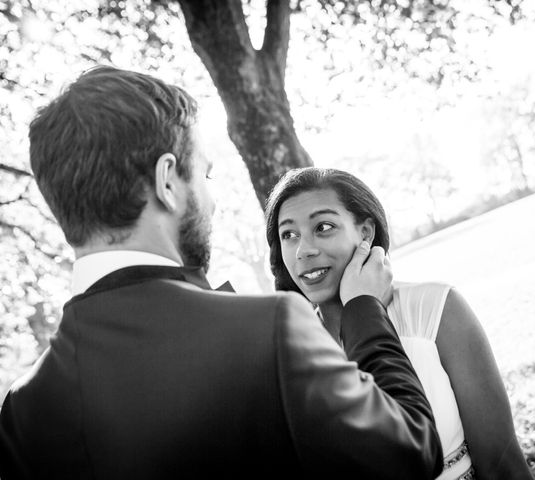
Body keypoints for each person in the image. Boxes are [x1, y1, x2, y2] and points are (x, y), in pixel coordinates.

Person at [0, 66, 445, 479]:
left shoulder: (23, 409)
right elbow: (412, 451)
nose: (212, 204)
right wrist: (365, 308)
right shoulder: (271, 328)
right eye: (205, 177)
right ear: (168, 182)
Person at [265, 167, 535, 480]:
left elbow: (502, 463)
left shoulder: (435, 308)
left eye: (323, 227)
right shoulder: (290, 353)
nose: (303, 250)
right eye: (289, 235)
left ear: (366, 232)